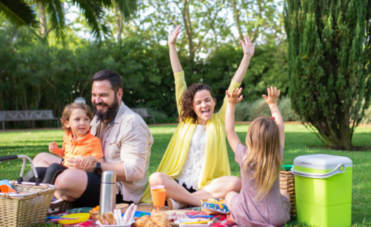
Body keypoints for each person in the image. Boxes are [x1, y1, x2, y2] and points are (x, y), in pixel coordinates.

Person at [140, 25, 255, 209]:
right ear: (192, 106)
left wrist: (247, 57)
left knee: (235, 182)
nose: (204, 105)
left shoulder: (219, 121)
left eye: (207, 100)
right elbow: (179, 78)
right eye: (199, 102)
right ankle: (200, 203)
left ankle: (179, 202)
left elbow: (234, 85)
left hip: (206, 187)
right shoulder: (186, 119)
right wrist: (171, 46)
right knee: (156, 178)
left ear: (214, 102)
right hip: (178, 182)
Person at [26, 70, 154, 208]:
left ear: (119, 94)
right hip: (86, 172)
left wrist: (95, 166)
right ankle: (31, 196)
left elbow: (135, 171)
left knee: (65, 179)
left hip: (115, 189)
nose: (97, 101)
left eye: (103, 95)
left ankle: (49, 199)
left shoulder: (132, 123)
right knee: (40, 159)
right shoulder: (97, 118)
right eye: (94, 95)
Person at [224, 87, 291, 226]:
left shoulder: (244, 156)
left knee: (229, 195)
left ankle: (235, 214)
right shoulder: (276, 154)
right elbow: (281, 128)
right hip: (276, 218)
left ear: (250, 137)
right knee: (285, 193)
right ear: (275, 139)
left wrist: (231, 105)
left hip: (247, 217)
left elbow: (229, 131)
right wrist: (273, 105)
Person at [24, 103, 104, 185]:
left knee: (54, 168)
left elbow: (101, 162)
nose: (83, 123)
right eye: (77, 119)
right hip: (65, 169)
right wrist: (57, 150)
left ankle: (44, 192)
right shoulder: (67, 136)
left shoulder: (93, 141)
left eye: (86, 119)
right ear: (67, 123)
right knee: (37, 171)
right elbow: (65, 154)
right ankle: (21, 189)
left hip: (80, 175)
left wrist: (91, 158)